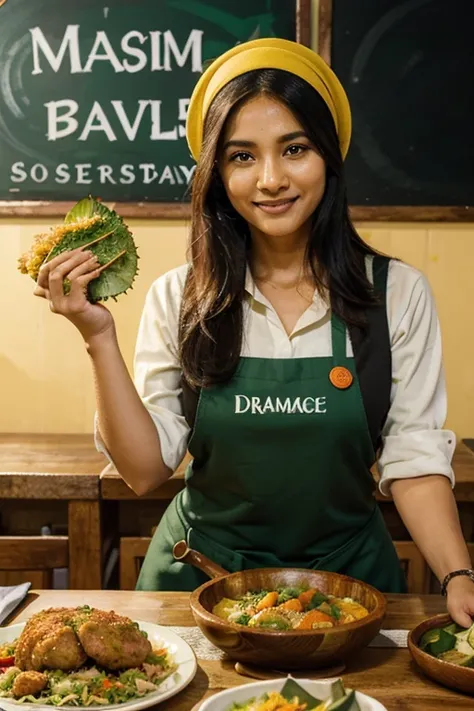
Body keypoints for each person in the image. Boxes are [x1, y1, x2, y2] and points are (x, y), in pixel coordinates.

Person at [34, 38, 474, 624]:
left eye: (294, 149)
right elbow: (143, 470)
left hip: (344, 588)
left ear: (329, 159)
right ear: (217, 174)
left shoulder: (395, 294)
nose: (271, 179)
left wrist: (458, 575)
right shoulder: (181, 295)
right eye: (242, 156)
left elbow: (414, 460)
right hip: (200, 586)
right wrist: (97, 336)